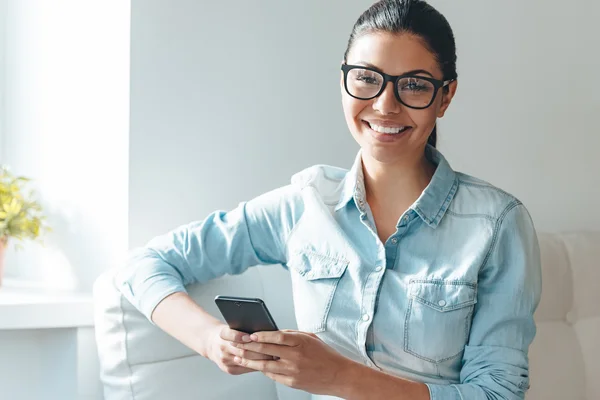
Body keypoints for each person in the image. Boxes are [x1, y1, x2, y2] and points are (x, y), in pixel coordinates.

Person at [115, 1, 542, 399]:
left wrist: (339, 376)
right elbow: (145, 264)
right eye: (367, 78)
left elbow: (498, 393)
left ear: (445, 96)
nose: (384, 104)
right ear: (344, 81)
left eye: (414, 85)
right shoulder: (303, 205)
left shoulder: (496, 223)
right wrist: (210, 341)